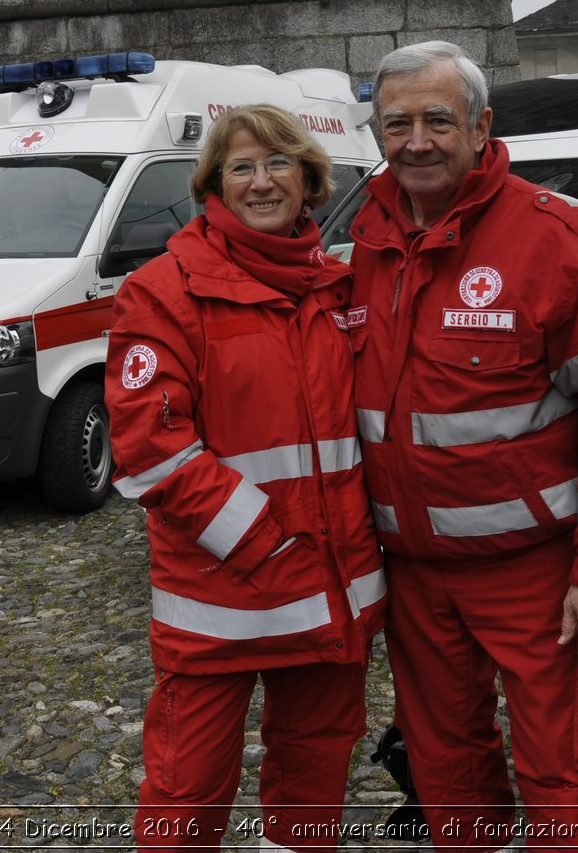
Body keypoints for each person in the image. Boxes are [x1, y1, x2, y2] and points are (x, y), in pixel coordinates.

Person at [346, 41, 578, 851]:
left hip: (538, 575)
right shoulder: (363, 245)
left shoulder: (559, 236)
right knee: (449, 777)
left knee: (562, 778)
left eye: (438, 119)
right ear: (377, 134)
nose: (417, 140)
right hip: (417, 579)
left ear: (480, 126)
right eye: (398, 124)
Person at [107, 104, 387, 852]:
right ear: (214, 184)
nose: (262, 181)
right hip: (222, 597)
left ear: (309, 179)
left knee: (314, 779)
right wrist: (263, 543)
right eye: (241, 166)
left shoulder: (338, 287)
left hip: (331, 592)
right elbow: (149, 444)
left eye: (278, 164)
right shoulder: (163, 289)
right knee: (186, 790)